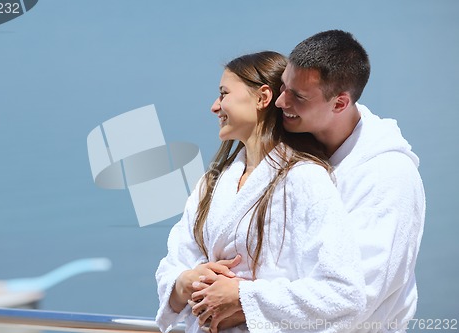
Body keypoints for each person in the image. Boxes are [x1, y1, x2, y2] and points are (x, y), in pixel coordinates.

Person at [194, 31, 426, 332]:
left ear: (340, 103)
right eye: (284, 87)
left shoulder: (388, 177)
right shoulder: (289, 157)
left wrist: (243, 298)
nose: (280, 102)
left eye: (298, 97)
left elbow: (358, 296)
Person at [155, 51, 366, 333]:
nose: (214, 107)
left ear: (262, 97)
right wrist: (186, 282)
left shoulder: (304, 178)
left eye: (223, 93)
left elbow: (343, 292)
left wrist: (243, 298)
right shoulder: (211, 183)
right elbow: (173, 263)